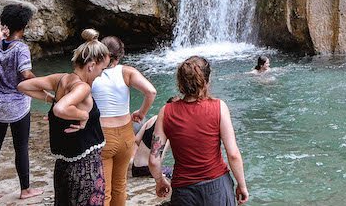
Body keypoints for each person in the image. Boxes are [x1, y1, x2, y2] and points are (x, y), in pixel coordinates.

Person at [18, 29, 110, 206]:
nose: (101, 74)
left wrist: (51, 99)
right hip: (85, 168)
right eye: (102, 69)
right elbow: (60, 109)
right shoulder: (82, 88)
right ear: (91, 65)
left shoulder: (61, 80)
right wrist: (84, 115)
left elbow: (23, 86)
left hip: (63, 166)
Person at [149, 56, 250, 205]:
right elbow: (233, 154)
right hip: (217, 187)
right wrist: (242, 185)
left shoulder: (166, 111)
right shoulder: (219, 107)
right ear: (207, 81)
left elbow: (153, 160)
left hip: (184, 191)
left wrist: (160, 181)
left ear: (180, 82)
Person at [0, 4, 43, 204]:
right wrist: (41, 83)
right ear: (23, 27)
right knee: (21, 147)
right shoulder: (21, 48)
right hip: (18, 105)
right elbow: (25, 74)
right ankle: (25, 189)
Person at [91, 36, 157, 206]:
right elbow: (151, 91)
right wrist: (141, 113)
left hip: (102, 135)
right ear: (119, 56)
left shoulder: (91, 72)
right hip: (125, 135)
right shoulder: (127, 72)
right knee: (120, 186)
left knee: (102, 189)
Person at [131, 114, 172, 179]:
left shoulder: (154, 118)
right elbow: (158, 158)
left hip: (136, 167)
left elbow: (137, 139)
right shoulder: (169, 126)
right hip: (148, 170)